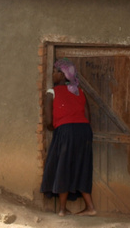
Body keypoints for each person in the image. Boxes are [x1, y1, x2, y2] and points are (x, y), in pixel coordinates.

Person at [40, 58, 97, 216]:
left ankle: (62, 210)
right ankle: (90, 208)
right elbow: (88, 117)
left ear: (64, 75)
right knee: (82, 167)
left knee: (63, 167)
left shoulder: (52, 92)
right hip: (84, 131)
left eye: (56, 71)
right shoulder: (80, 92)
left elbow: (48, 121)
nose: (53, 74)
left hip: (65, 131)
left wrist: (58, 128)